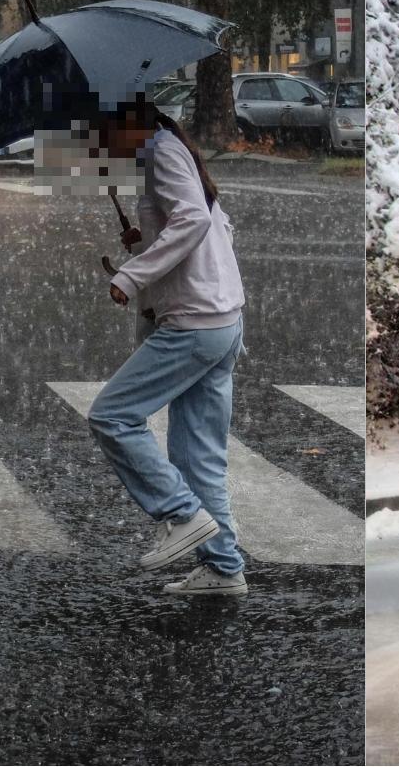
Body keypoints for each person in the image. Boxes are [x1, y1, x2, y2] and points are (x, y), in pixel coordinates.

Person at [86, 98, 249, 596]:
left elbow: (193, 222)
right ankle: (224, 568)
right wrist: (142, 241)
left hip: (196, 323)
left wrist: (133, 277)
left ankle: (181, 514)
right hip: (221, 320)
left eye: (101, 135)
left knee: (112, 416)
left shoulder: (160, 150)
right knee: (198, 456)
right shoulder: (170, 148)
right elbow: (208, 229)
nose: (100, 146)